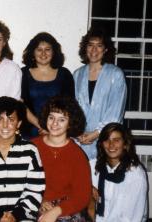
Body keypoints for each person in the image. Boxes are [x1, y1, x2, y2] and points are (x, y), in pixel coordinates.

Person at [33, 96, 91, 222]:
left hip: (66, 209)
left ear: (70, 123)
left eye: (61, 120)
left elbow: (82, 196)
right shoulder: (31, 147)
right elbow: (20, 182)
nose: (54, 123)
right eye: (51, 117)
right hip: (33, 203)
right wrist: (40, 201)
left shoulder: (77, 155)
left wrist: (55, 211)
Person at [73, 27, 127, 159]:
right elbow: (72, 108)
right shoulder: (77, 74)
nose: (94, 50)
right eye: (90, 45)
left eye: (99, 46)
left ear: (106, 49)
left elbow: (115, 112)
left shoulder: (115, 74)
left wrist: (96, 134)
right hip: (79, 140)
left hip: (106, 139)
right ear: (85, 48)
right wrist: (77, 132)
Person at [90, 123, 148, 222]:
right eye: (106, 140)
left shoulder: (135, 175)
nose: (111, 145)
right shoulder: (93, 166)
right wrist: (87, 187)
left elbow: (132, 217)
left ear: (125, 144)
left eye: (116, 140)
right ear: (101, 144)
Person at [21, 32, 75, 138]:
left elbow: (69, 105)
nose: (43, 53)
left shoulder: (65, 74)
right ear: (33, 52)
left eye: (47, 49)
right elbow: (20, 104)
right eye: (39, 49)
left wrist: (51, 127)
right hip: (29, 131)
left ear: (54, 52)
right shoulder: (22, 73)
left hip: (57, 130)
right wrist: (41, 125)